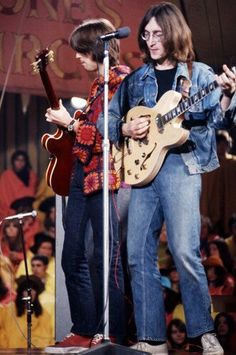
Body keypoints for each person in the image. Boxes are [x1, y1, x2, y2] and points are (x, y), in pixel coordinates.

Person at [97, 2, 236, 354]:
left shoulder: (200, 74)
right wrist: (124, 125)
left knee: (184, 251)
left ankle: (204, 332)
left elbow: (221, 122)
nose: (151, 40)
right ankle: (151, 337)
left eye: (157, 33)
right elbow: (105, 121)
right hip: (143, 173)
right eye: (146, 34)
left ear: (174, 32)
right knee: (136, 255)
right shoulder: (135, 79)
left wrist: (228, 97)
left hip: (181, 166)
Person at [44, 18, 130, 354]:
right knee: (71, 256)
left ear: (97, 47)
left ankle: (113, 332)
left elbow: (107, 136)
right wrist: (68, 123)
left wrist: (71, 123)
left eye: (81, 50)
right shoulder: (96, 86)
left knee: (103, 258)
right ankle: (83, 327)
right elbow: (87, 133)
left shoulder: (121, 81)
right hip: (81, 174)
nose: (77, 57)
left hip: (105, 176)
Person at [0, 150, 38, 220]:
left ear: (26, 162)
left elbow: (32, 194)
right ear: (13, 162)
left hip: (28, 210)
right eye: (17, 160)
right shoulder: (6, 175)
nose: (20, 163)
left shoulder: (32, 175)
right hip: (10, 210)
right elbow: (4, 197)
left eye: (22, 160)